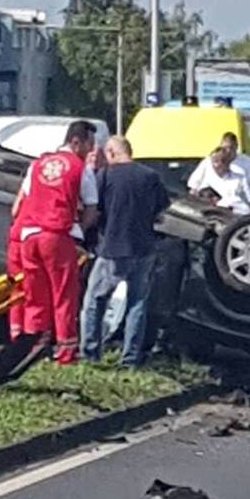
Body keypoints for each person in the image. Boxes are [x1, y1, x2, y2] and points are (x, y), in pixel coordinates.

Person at [11, 120, 98, 364]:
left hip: (29, 236)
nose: (90, 151)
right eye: (89, 145)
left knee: (35, 295)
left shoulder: (37, 164)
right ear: (76, 141)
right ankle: (66, 349)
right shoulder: (80, 168)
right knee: (63, 294)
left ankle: (33, 346)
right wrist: (80, 230)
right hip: (57, 235)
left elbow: (21, 203)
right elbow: (91, 208)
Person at [80, 136, 171, 368]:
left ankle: (90, 353)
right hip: (144, 248)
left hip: (112, 247)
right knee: (137, 303)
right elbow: (162, 209)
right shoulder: (150, 177)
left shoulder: (106, 176)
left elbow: (95, 207)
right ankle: (130, 358)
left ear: (111, 152)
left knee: (95, 300)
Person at [187, 132, 250, 213]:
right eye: (214, 162)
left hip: (241, 215)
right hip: (220, 216)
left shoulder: (240, 178)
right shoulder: (208, 174)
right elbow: (193, 189)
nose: (216, 165)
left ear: (227, 164)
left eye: (221, 162)